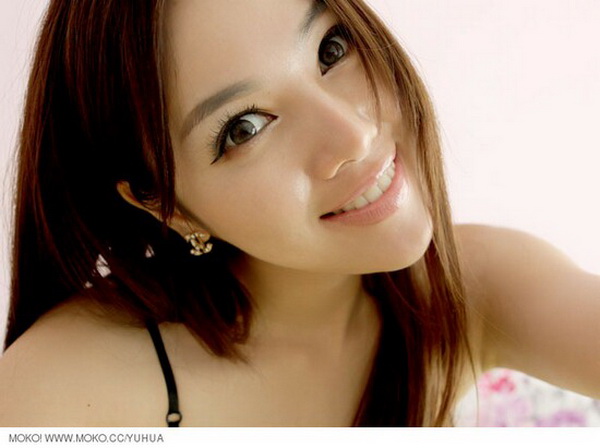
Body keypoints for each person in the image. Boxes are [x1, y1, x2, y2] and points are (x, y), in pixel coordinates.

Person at [0, 0, 598, 427]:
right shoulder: (65, 391)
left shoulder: (469, 292)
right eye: (245, 127)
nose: (353, 137)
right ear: (167, 206)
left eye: (331, 50)